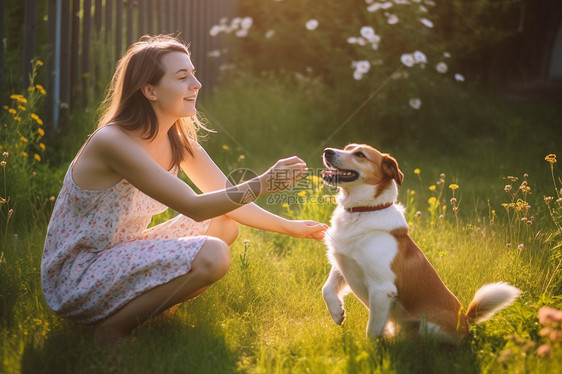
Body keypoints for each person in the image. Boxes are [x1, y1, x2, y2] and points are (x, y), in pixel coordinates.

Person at [41, 34, 328, 348]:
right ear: (149, 90)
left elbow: (228, 202)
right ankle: (111, 331)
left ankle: (153, 309)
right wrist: (265, 182)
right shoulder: (113, 142)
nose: (197, 83)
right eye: (182, 77)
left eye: (193, 73)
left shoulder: (178, 142)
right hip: (78, 276)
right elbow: (194, 206)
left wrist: (291, 227)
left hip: (119, 255)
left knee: (223, 225)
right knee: (213, 254)